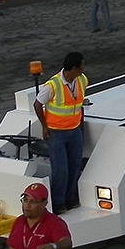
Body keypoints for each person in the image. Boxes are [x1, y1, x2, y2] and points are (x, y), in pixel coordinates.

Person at [33, 52, 88, 214]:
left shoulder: (82, 80)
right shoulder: (53, 85)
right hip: (56, 134)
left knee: (75, 165)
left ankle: (71, 197)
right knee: (61, 169)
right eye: (81, 66)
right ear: (74, 68)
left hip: (74, 130)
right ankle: (58, 202)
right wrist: (44, 126)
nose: (83, 69)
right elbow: (37, 104)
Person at [1, 183, 71, 249]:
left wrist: (53, 247)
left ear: (44, 203)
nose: (27, 205)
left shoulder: (54, 223)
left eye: (33, 201)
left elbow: (66, 242)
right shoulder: (19, 222)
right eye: (25, 200)